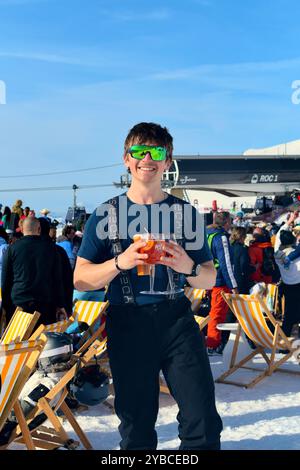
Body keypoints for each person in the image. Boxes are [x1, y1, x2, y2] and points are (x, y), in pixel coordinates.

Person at [74, 122, 222, 450]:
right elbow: (81, 278)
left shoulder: (184, 213)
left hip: (177, 319)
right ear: (126, 159)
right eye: (139, 151)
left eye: (156, 152)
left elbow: (210, 278)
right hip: (128, 322)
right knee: (137, 424)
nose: (147, 158)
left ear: (167, 161)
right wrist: (119, 263)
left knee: (203, 418)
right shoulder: (106, 215)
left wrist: (188, 267)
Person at [1, 217, 66, 327]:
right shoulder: (52, 249)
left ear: (21, 229)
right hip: (45, 304)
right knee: (41, 341)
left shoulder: (12, 249)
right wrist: (60, 305)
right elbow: (57, 279)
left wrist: (5, 306)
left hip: (18, 304)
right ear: (39, 229)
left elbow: (6, 279)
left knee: (18, 341)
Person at [206, 211, 238, 355]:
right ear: (227, 223)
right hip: (219, 281)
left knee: (215, 312)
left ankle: (214, 343)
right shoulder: (221, 237)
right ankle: (212, 345)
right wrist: (233, 286)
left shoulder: (207, 233)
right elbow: (226, 263)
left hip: (207, 277)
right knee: (217, 313)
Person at [274, 230, 300, 337]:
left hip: (287, 286)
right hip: (298, 285)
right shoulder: (295, 254)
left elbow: (276, 241)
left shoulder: (277, 255)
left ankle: (284, 341)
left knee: (288, 315)